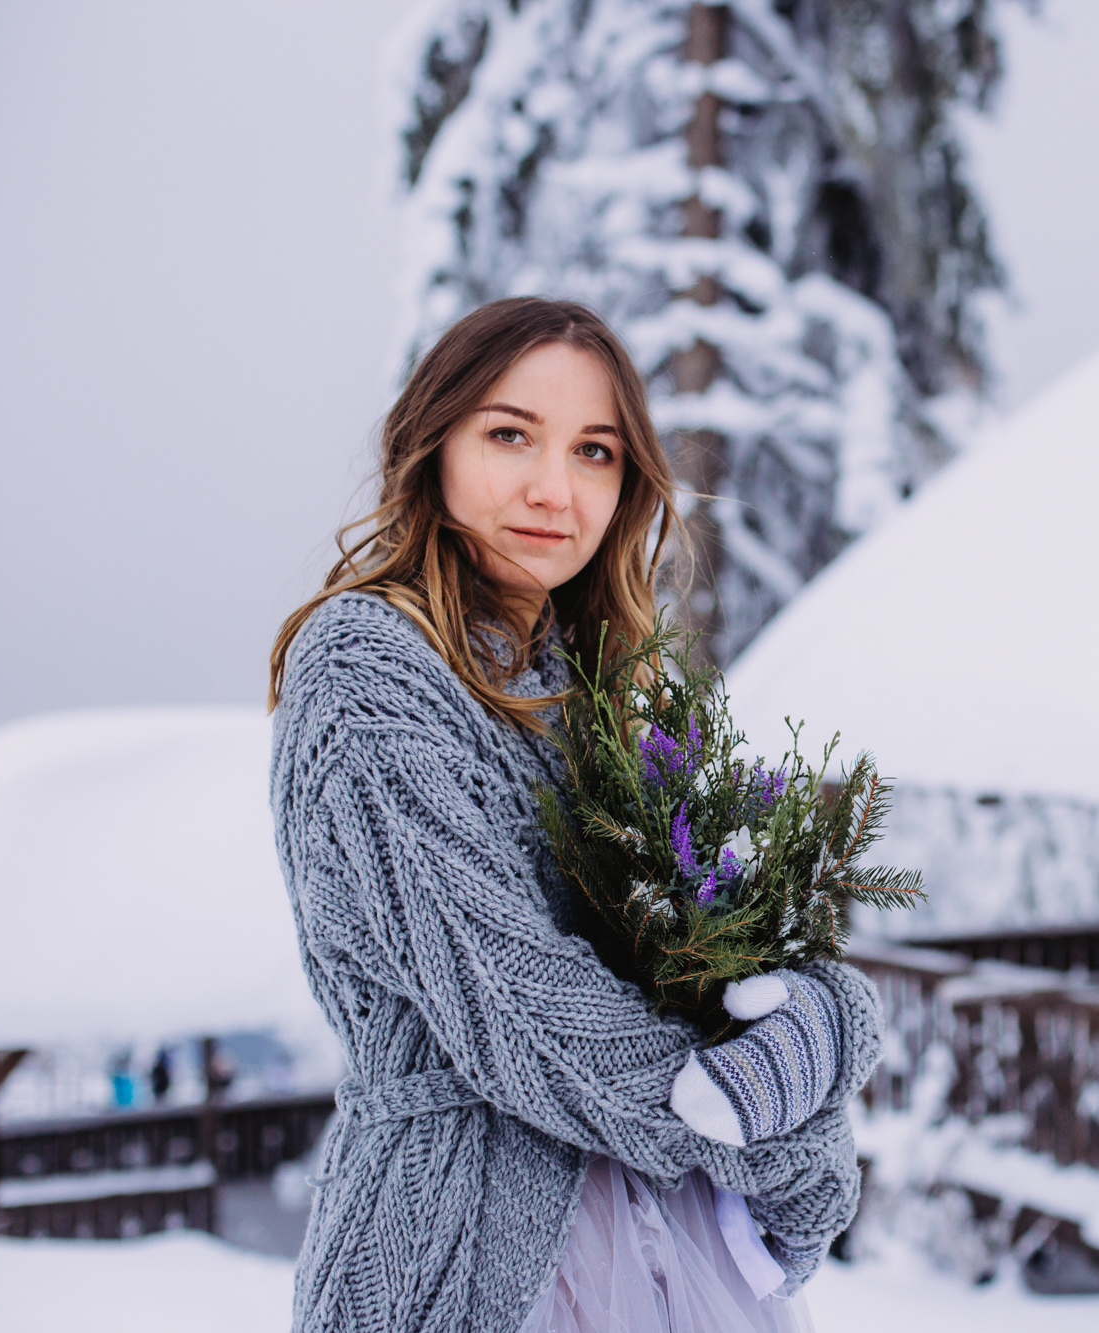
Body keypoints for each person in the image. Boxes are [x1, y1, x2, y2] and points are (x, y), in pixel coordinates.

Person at [268, 297, 880, 1333]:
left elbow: (703, 958)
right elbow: (513, 1004)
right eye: (510, 434)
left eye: (595, 451)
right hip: (461, 1253)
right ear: (433, 444)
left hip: (667, 1247)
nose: (554, 489)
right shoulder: (367, 666)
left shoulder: (592, 689)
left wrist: (825, 1017)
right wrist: (777, 1136)